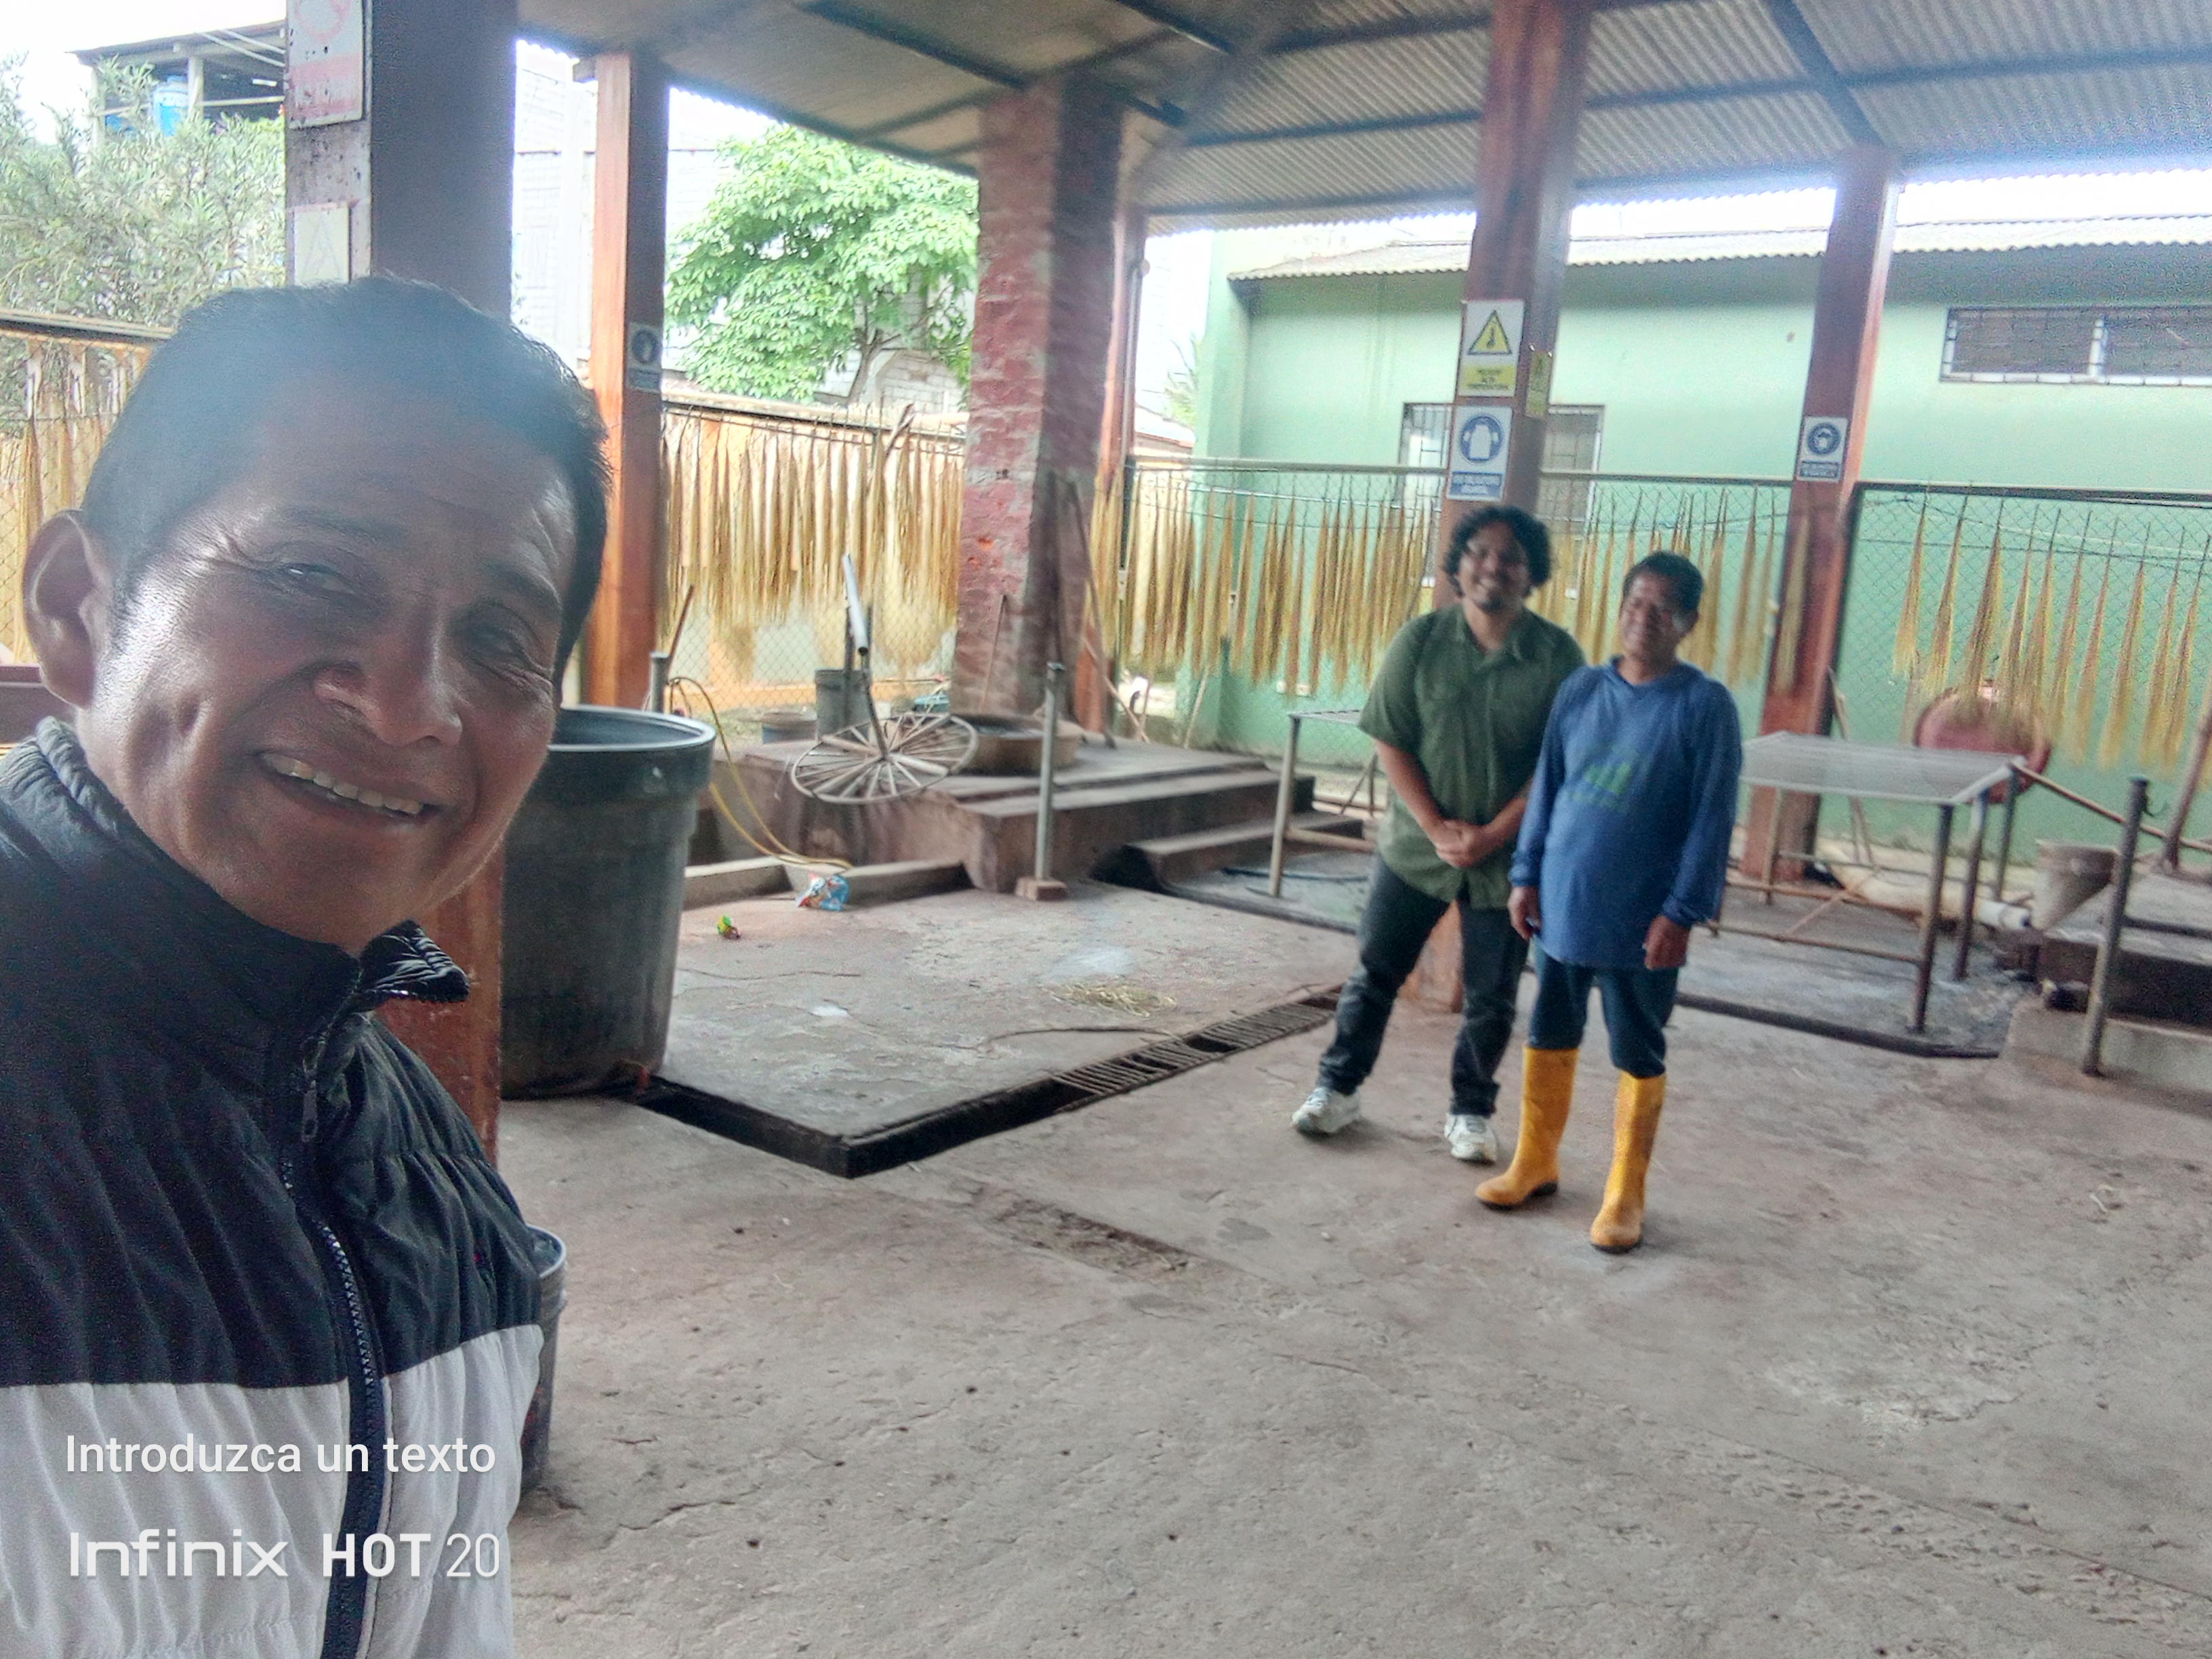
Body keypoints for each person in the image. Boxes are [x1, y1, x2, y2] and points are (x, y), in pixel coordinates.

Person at [1, 279, 605, 1658]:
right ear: (80, 607)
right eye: (313, 574)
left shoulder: (438, 1193)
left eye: (499, 640)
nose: (405, 705)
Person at [1292, 505, 1583, 1162]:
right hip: (1414, 851)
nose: (1493, 567)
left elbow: (1559, 762)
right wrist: (1432, 826)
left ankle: (1470, 1113)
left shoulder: (1557, 657)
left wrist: (1494, 835)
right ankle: (1337, 1089)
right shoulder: (1421, 640)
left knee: (1492, 998)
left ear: (1531, 572)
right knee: (1375, 974)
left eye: (1510, 557)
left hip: (1507, 861)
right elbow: (1390, 737)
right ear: (1457, 565)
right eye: (1479, 552)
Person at [1477, 551, 1742, 1252]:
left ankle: (1626, 1193)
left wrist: (1682, 911)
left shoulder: (1704, 707)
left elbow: (1712, 819)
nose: (1643, 619)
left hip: (1643, 919)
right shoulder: (1581, 690)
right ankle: (1535, 1161)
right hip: (1562, 903)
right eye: (1635, 603)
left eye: (1662, 609)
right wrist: (1526, 874)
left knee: (1637, 1047)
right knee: (1549, 1031)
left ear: (1688, 622)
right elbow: (1549, 785)